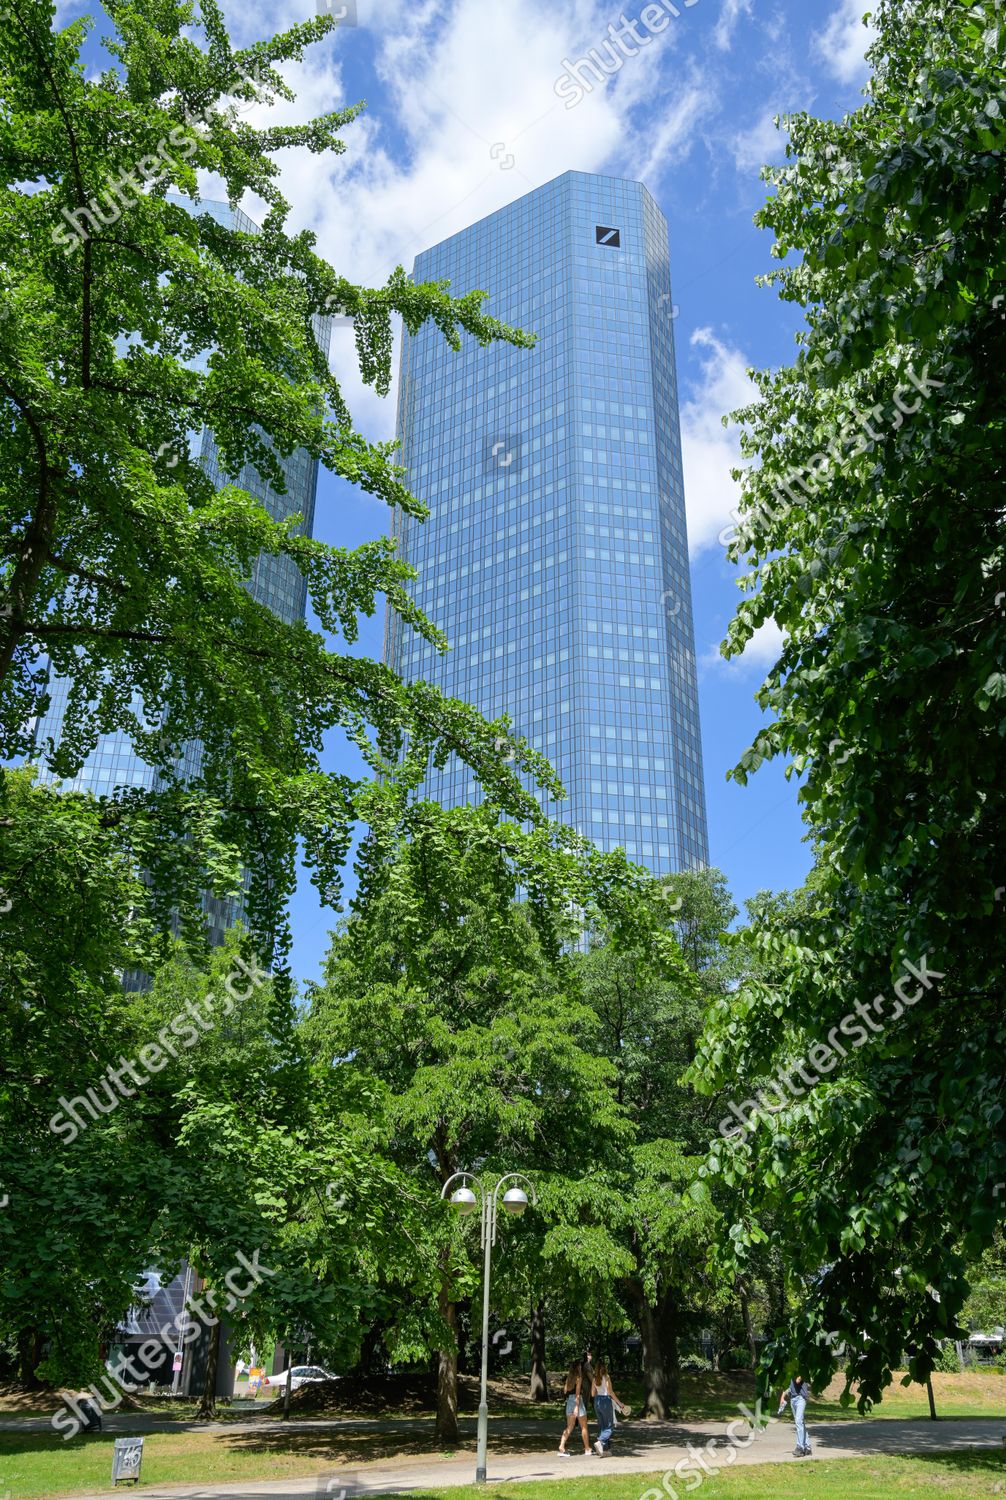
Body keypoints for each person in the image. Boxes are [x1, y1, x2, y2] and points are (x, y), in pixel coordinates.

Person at [591, 1357, 630, 1454]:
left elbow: (592, 1394)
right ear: (605, 1367)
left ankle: (605, 1450)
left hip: (597, 1401)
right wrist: (620, 1404)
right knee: (609, 1426)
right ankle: (600, 1442)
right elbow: (610, 1392)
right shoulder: (607, 1377)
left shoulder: (594, 1378)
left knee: (602, 1426)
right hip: (605, 1401)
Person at [557, 1360, 594, 1456]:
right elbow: (577, 1394)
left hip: (569, 1401)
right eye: (580, 1366)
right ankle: (587, 1448)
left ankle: (561, 1446)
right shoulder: (579, 1378)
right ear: (578, 1367)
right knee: (584, 1427)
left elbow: (565, 1391)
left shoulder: (569, 1378)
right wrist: (577, 1407)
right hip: (577, 1402)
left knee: (570, 1426)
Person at [778, 1373, 813, 1456]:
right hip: (793, 1399)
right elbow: (788, 1385)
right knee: (800, 1422)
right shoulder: (789, 1369)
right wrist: (782, 1397)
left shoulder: (800, 1368)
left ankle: (800, 1447)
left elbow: (798, 1380)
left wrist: (793, 1373)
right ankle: (807, 1447)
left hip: (801, 1398)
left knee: (798, 1421)